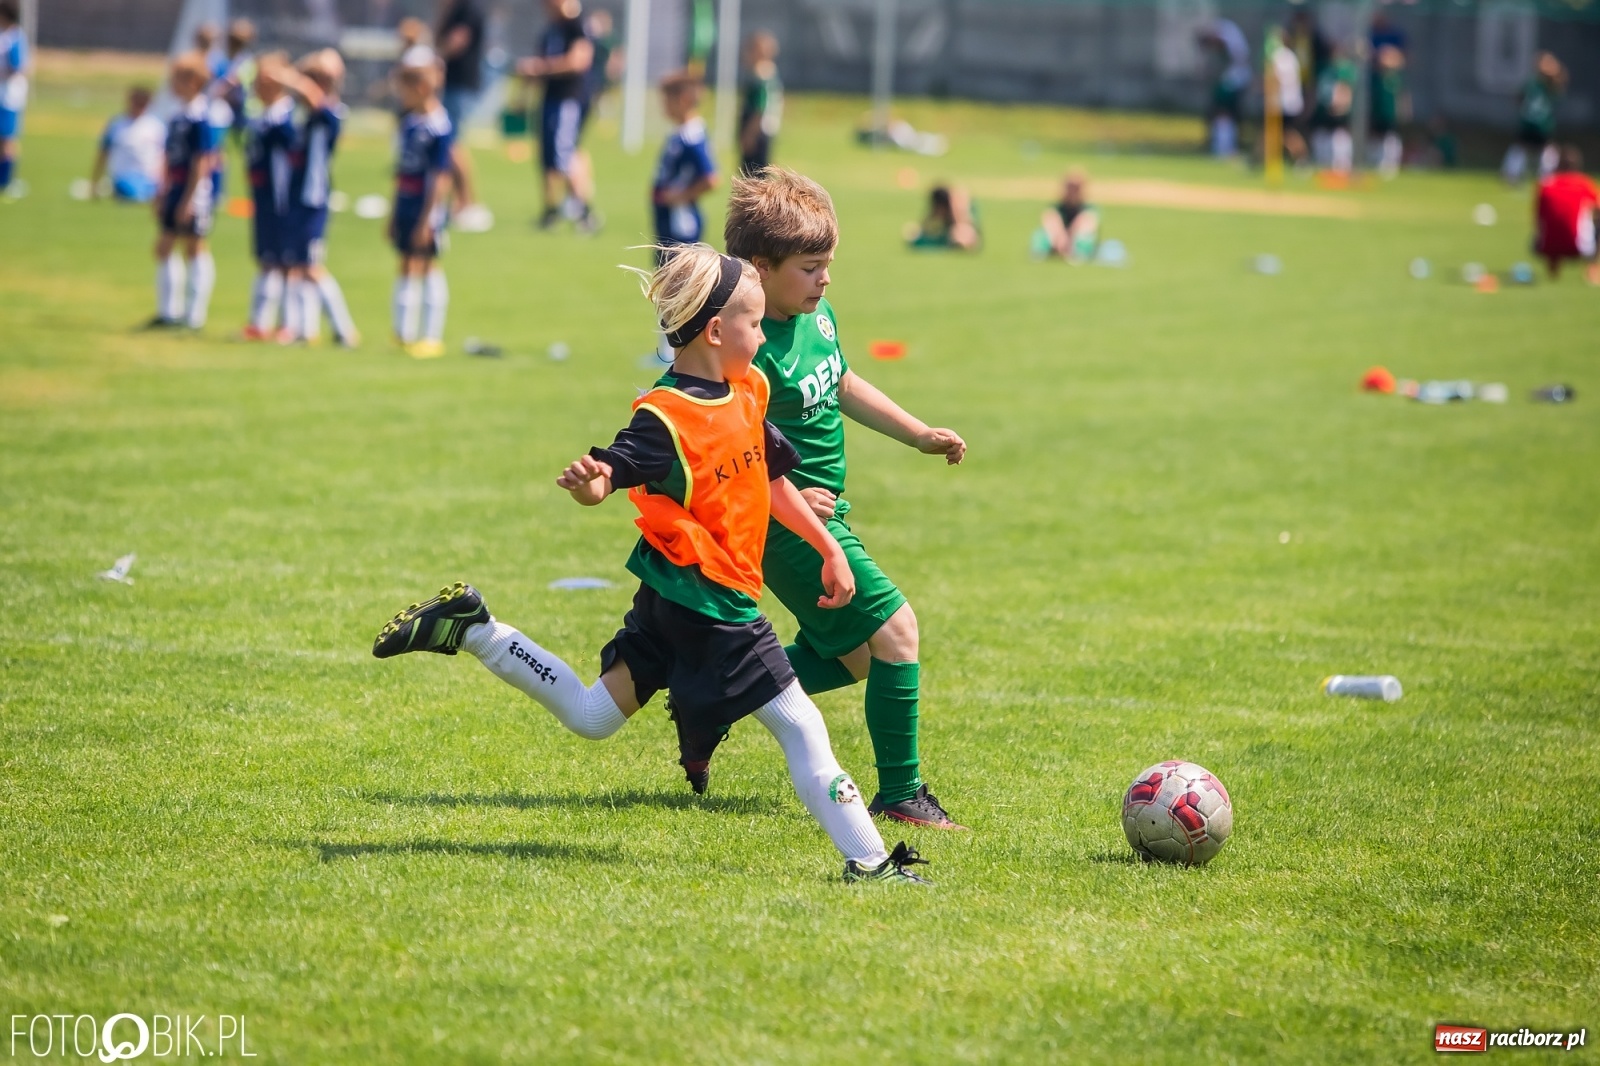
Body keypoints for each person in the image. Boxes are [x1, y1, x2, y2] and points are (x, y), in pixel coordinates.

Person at [371, 243, 932, 885]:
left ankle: (474, 628)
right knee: (802, 726)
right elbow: (608, 475)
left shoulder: (746, 388)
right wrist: (589, 482)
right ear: (718, 331)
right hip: (714, 608)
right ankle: (870, 861)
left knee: (591, 715)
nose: (762, 335)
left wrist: (830, 548)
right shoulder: (665, 418)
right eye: (754, 324)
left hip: (668, 603)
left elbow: (773, 480)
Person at [715, 168, 968, 829]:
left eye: (828, 265)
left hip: (827, 514)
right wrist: (791, 498)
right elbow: (728, 455)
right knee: (896, 631)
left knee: (856, 657)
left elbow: (844, 381)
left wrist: (918, 434)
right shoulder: (748, 350)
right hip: (787, 526)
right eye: (810, 267)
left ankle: (715, 693)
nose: (824, 279)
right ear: (760, 269)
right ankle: (902, 794)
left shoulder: (814, 314)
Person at [281, 50, 358, 347]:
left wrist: (287, 75)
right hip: (298, 197)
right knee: (299, 265)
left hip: (313, 199)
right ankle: (305, 329)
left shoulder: (331, 111)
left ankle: (344, 329)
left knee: (312, 267)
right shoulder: (302, 113)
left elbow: (313, 97)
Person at [645, 70, 718, 363]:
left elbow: (711, 178)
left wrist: (680, 196)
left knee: (677, 286)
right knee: (667, 283)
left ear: (685, 99)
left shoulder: (693, 137)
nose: (664, 106)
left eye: (668, 100)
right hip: (668, 221)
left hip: (681, 223)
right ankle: (672, 349)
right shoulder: (679, 133)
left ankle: (674, 351)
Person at [149, 52, 220, 331]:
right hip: (175, 187)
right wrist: (162, 189)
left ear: (192, 81)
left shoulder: (202, 116)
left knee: (194, 247)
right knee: (165, 246)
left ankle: (194, 315)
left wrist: (190, 199)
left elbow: (203, 160)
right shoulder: (177, 114)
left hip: (194, 192)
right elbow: (169, 155)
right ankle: (168, 312)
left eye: (177, 78)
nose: (171, 83)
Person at [389, 63, 454, 358]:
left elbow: (440, 177)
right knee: (405, 262)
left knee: (427, 264)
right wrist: (393, 211)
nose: (401, 97)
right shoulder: (409, 123)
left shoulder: (439, 125)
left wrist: (428, 219)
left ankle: (431, 336)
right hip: (406, 202)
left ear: (421, 89)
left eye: (405, 91)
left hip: (427, 208)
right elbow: (401, 170)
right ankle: (403, 333)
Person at [517, 0, 598, 232]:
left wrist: (540, 67)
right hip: (550, 98)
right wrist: (523, 94)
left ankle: (584, 211)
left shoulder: (577, 25)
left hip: (569, 98)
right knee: (547, 157)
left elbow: (578, 61)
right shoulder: (550, 29)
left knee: (565, 152)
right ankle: (551, 210)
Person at [239, 53, 298, 343]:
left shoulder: (289, 116)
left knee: (286, 262)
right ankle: (259, 322)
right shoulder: (260, 116)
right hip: (263, 198)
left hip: (284, 201)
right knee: (265, 259)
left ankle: (289, 323)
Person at [435, 0, 484, 206]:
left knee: (452, 144)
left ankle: (466, 202)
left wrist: (432, 60)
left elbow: (457, 41)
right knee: (450, 143)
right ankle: (459, 202)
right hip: (452, 84)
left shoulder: (467, 8)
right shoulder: (455, 9)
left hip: (459, 84)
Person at [1534, 146, 1598, 283]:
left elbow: (1538, 217)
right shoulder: (1583, 183)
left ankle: (1553, 269)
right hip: (1578, 247)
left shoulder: (1546, 184)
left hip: (1547, 246)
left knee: (1549, 224)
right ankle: (1592, 269)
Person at [91, 86, 165, 203]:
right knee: (131, 193)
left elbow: (164, 155)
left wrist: (163, 180)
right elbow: (103, 153)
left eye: (142, 104)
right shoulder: (117, 124)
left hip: (149, 178)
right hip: (123, 177)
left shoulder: (156, 126)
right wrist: (95, 181)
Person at [1503, 52, 1566, 186]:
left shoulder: (1533, 83)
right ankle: (1546, 178)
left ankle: (1512, 175)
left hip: (1529, 123)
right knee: (1545, 150)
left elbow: (1519, 99)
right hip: (1542, 124)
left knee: (1521, 148)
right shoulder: (1548, 85)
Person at [1199, 18, 1250, 157]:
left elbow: (1238, 56)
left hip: (1233, 81)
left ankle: (1225, 147)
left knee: (1225, 113)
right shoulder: (1225, 33)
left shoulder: (1225, 37)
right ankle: (1223, 146)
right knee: (1221, 114)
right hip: (1229, 81)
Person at [737, 31, 783, 176]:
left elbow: (759, 107)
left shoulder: (760, 74)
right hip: (764, 129)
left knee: (753, 176)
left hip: (757, 129)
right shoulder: (769, 71)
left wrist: (750, 133)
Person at [1265, 25, 1307, 167]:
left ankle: (1301, 157)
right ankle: (1259, 159)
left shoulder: (1279, 56)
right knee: (1281, 133)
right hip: (1291, 100)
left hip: (1284, 101)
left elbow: (1275, 78)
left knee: (1286, 133)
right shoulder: (1290, 56)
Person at [1035, 170, 1099, 262]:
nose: (1072, 191)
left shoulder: (1088, 209)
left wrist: (1070, 237)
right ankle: (1043, 252)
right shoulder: (1057, 208)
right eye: (1070, 187)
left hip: (1075, 240)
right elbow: (1050, 219)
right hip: (1058, 240)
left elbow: (1088, 223)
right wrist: (1060, 237)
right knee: (1042, 232)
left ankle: (1078, 253)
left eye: (1076, 188)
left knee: (1085, 227)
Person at [0, 0, 29, 197]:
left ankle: (6, 181)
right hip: (5, 95)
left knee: (7, 139)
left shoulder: (14, 37)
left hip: (8, 96)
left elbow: (16, 66)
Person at [1312, 47, 1356, 174]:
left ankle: (1342, 169)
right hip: (1324, 111)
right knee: (1322, 140)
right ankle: (1325, 168)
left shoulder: (1345, 69)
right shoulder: (1323, 68)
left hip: (1338, 113)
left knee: (1340, 142)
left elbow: (1346, 90)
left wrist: (1341, 106)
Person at [1370, 44, 1408, 178]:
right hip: (1378, 113)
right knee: (1377, 140)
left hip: (1390, 114)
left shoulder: (1396, 78)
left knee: (1391, 140)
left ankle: (1390, 165)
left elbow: (1402, 97)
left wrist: (1404, 111)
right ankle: (1377, 163)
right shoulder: (1376, 77)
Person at [905, 184, 979, 251]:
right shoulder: (941, 205)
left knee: (959, 235)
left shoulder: (957, 205)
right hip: (952, 230)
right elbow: (929, 219)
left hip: (967, 229)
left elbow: (964, 224)